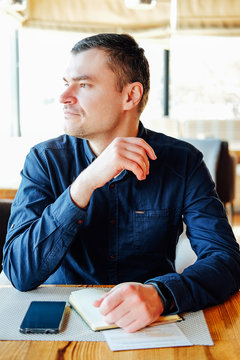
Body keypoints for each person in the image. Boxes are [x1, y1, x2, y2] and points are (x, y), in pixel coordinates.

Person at [3, 33, 240, 333]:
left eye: (84, 84)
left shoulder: (183, 162)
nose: (64, 96)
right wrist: (84, 185)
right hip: (61, 325)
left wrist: (162, 294)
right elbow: (18, 272)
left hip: (151, 324)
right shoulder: (44, 160)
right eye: (66, 83)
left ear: (130, 96)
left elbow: (227, 261)